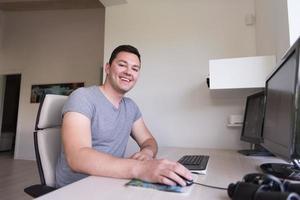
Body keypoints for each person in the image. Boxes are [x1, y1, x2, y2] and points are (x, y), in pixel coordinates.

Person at [55, 45, 192, 188]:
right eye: (122, 65)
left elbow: (149, 140)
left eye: (135, 69)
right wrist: (140, 168)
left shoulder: (130, 107)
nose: (128, 72)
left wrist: (147, 152)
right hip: (76, 188)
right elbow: (77, 157)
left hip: (111, 182)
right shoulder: (82, 97)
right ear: (108, 68)